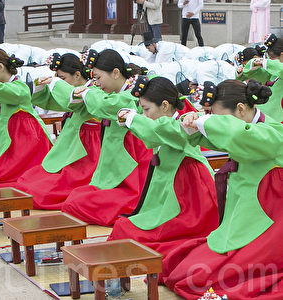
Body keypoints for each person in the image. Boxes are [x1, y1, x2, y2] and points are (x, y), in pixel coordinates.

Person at [162, 79, 283, 299]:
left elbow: (237, 134)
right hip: (242, 214)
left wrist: (206, 121)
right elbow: (222, 136)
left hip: (269, 223)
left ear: (240, 109)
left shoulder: (273, 132)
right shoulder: (246, 127)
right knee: (183, 269)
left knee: (202, 277)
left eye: (219, 117)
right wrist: (192, 124)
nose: (216, 122)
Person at [108, 76, 218, 259]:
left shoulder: (179, 126)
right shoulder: (171, 124)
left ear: (165, 105)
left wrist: (132, 119)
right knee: (124, 228)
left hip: (191, 203)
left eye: (146, 109)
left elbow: (154, 131)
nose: (144, 115)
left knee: (127, 231)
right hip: (175, 199)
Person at [61, 49, 153, 227]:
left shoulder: (130, 97)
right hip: (115, 171)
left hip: (133, 176)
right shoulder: (112, 95)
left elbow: (106, 105)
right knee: (75, 197)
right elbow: (90, 104)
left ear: (116, 73)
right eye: (94, 79)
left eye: (98, 78)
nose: (96, 83)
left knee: (76, 203)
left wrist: (87, 92)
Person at [16, 53, 101, 210]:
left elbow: (70, 99)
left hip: (85, 153)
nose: (60, 82)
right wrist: (41, 88)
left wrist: (56, 84)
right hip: (70, 147)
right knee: (27, 182)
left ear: (77, 75)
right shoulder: (74, 91)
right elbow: (54, 101)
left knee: (45, 192)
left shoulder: (92, 92)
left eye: (63, 78)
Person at [0, 48, 52, 187]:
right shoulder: (4, 87)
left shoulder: (18, 88)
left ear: (0, 67)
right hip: (14, 145)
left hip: (26, 146)